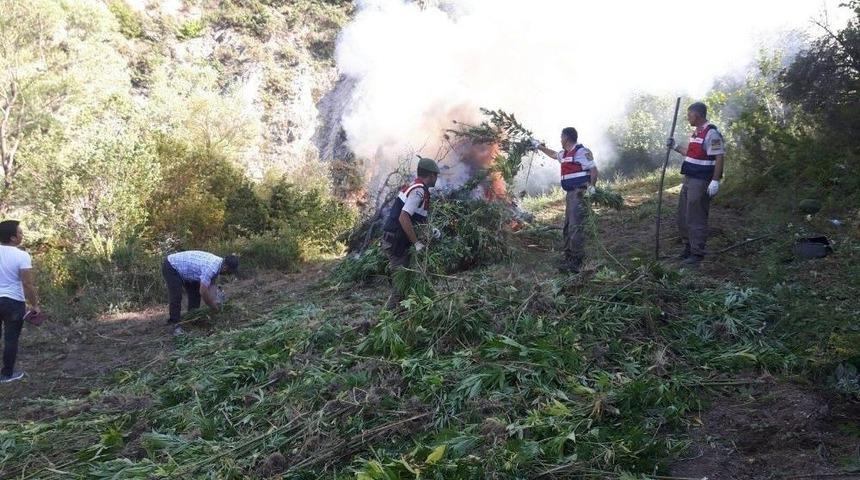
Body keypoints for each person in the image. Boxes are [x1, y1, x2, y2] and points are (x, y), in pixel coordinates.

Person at [666, 102, 726, 265]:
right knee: (683, 215)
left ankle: (697, 253)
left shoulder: (711, 133)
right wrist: (675, 146)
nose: (688, 118)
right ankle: (688, 247)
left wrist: (715, 181)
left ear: (697, 115)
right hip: (689, 179)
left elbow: (719, 157)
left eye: (689, 115)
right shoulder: (696, 133)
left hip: (701, 181)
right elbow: (691, 153)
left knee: (696, 216)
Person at [532, 127, 599, 272]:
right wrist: (539, 146)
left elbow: (593, 169)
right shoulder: (565, 153)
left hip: (579, 193)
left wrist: (592, 187)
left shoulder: (581, 152)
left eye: (561, 137)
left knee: (575, 226)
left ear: (567, 138)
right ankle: (568, 257)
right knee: (568, 226)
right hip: (570, 194)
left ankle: (577, 261)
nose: (560, 140)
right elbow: (553, 154)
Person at [380, 156, 440, 309]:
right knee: (400, 287)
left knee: (406, 282)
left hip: (396, 240)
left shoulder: (417, 187)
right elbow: (404, 217)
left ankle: (399, 313)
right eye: (436, 175)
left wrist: (431, 230)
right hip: (396, 242)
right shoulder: (418, 191)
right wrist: (417, 243)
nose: (436, 178)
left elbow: (416, 219)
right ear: (431, 175)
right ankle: (388, 317)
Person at [0, 220, 40, 383]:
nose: (22, 235)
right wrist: (35, 305)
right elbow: (27, 283)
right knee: (11, 339)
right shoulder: (22, 256)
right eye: (20, 233)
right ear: (12, 238)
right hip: (13, 302)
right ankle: (7, 374)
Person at [161, 250, 238, 335]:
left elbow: (212, 285)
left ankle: (192, 318)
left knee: (195, 294)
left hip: (188, 271)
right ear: (226, 268)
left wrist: (215, 301)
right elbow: (203, 291)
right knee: (176, 296)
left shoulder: (219, 264)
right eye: (229, 272)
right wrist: (212, 306)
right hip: (172, 266)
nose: (228, 274)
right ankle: (174, 325)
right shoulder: (211, 268)